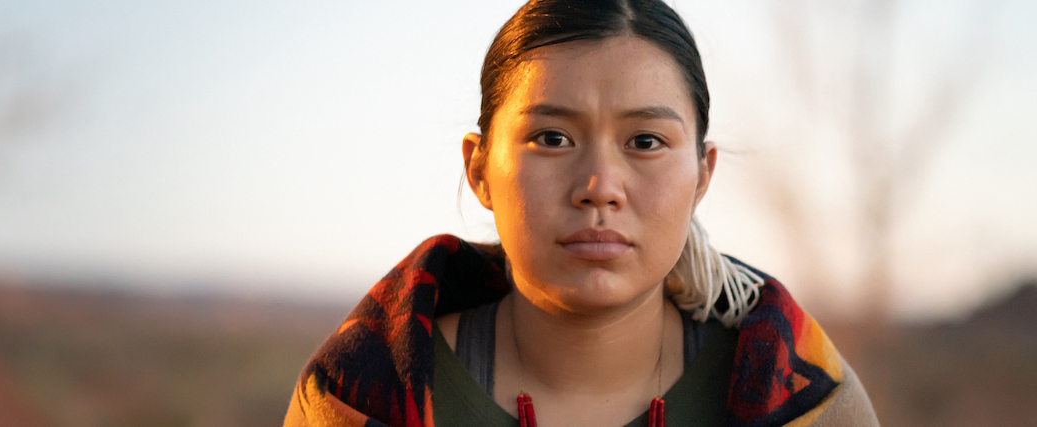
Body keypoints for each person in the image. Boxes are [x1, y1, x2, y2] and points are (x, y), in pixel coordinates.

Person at [284, 0, 879, 426]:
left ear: (702, 175)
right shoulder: (361, 394)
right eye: (551, 138)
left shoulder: (803, 400)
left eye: (645, 141)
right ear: (480, 169)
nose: (599, 188)